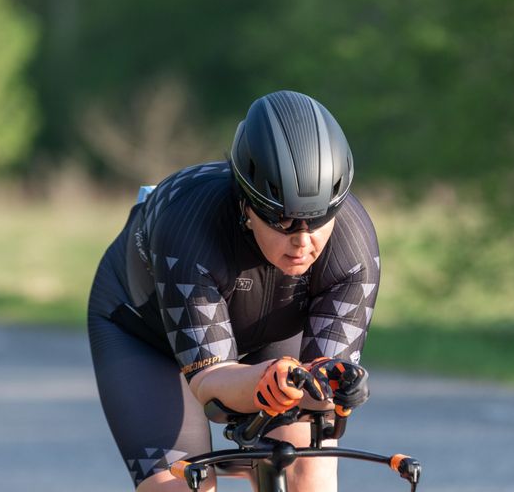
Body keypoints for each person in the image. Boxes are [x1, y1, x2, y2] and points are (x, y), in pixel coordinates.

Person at [87, 90, 379, 492]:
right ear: (246, 206)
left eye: (319, 218)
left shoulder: (353, 247)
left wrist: (333, 383)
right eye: (282, 221)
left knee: (308, 472)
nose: (303, 241)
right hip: (145, 334)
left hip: (269, 333)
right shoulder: (189, 227)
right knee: (183, 487)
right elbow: (211, 383)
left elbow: (321, 391)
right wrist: (265, 383)